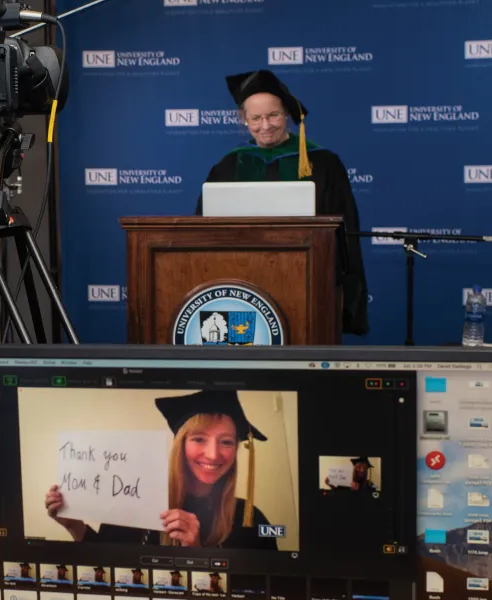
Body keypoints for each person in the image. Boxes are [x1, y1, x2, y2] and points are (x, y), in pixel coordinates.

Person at [196, 69, 370, 336]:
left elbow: (345, 235)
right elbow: (202, 232)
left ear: (287, 114)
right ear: (244, 119)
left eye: (273, 115)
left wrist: (345, 293)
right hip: (243, 289)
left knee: (305, 364)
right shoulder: (229, 166)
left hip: (307, 286)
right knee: (244, 363)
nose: (265, 126)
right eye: (256, 118)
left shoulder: (323, 163)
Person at [44, 390, 278, 550]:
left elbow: (269, 588)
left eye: (226, 442)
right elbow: (107, 566)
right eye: (199, 439)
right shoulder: (133, 501)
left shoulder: (251, 519)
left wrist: (197, 557)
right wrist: (75, 527)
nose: (213, 454)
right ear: (180, 445)